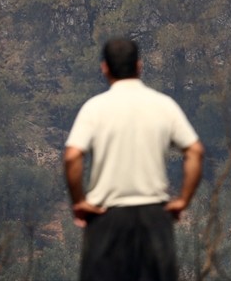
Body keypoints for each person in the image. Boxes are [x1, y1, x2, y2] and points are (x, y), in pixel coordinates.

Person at [64, 38, 204, 281]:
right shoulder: (164, 105)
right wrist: (182, 200)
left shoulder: (94, 108)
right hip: (154, 217)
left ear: (104, 68)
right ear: (139, 66)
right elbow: (195, 151)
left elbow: (73, 156)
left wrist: (79, 201)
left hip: (107, 218)